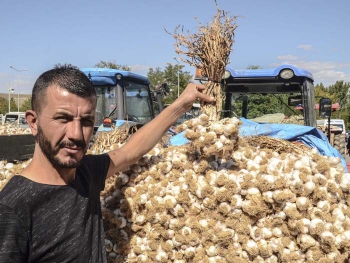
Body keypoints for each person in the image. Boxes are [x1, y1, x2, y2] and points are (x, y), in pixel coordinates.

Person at [0, 64, 214, 263]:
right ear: (33, 122)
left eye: (86, 121)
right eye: (63, 119)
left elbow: (130, 151)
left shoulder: (86, 172)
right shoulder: (12, 209)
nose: (76, 134)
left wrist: (181, 105)